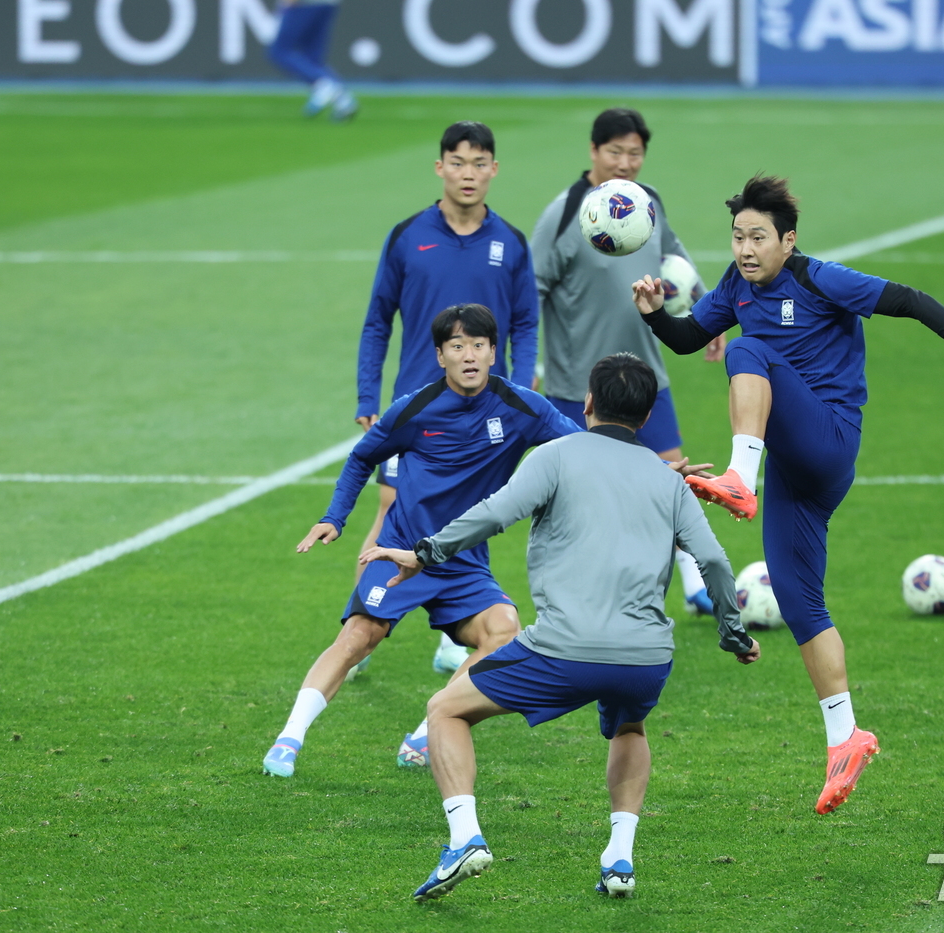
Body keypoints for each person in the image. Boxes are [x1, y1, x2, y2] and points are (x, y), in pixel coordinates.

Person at [631, 175, 944, 815]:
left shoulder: (818, 278)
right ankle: (845, 737)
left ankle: (739, 478)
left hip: (829, 440)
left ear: (788, 239)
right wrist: (653, 316)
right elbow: (693, 338)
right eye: (737, 237)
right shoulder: (736, 287)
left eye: (758, 238)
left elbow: (910, 300)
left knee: (750, 353)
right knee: (801, 602)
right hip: (795, 474)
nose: (745, 249)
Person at [359, 353, 760, 902]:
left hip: (562, 651)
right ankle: (619, 856)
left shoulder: (554, 456)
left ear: (588, 404)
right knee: (629, 728)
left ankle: (464, 839)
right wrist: (733, 634)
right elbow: (713, 563)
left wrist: (424, 553)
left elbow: (494, 513)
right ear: (645, 419)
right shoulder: (670, 482)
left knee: (444, 710)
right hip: (645, 660)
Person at [263, 304, 577, 779]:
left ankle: (427, 730)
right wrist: (336, 517)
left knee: (504, 630)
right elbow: (360, 458)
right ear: (439, 355)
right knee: (358, 637)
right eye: (457, 346)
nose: (468, 355)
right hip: (399, 551)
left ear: (494, 353)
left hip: (464, 562)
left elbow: (586, 450)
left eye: (478, 345)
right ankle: (289, 739)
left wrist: (658, 471)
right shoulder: (415, 409)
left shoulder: (521, 408)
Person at [353, 120, 540, 681]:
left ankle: (458, 630)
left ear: (494, 170)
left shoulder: (510, 242)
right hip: (415, 409)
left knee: (474, 515)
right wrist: (369, 394)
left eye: (479, 163)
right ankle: (363, 622)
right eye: (457, 162)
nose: (468, 173)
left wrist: (522, 389)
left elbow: (526, 321)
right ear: (440, 167)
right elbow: (376, 321)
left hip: (488, 414)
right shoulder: (409, 235)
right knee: (391, 506)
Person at [531, 108, 726, 618]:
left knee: (670, 477)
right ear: (593, 152)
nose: (625, 162)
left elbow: (677, 263)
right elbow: (529, 290)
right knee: (584, 500)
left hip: (645, 375)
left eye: (634, 153)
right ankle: (578, 600)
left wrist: (709, 316)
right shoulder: (565, 213)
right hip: (579, 385)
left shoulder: (649, 202)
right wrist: (527, 359)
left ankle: (692, 583)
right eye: (614, 151)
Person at [266, 0, 358, 121]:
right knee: (312, 59)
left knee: (279, 51)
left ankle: (324, 84)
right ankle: (344, 101)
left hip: (305, 4)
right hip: (328, 4)